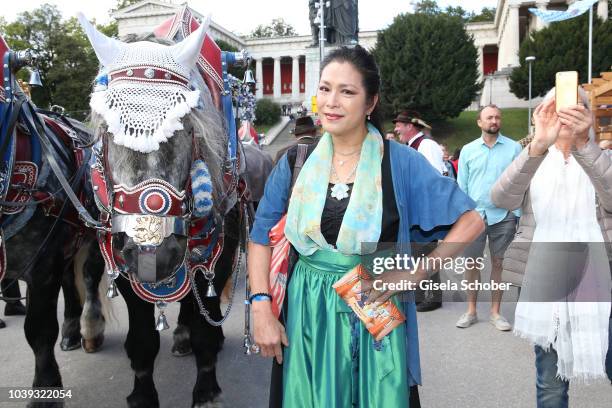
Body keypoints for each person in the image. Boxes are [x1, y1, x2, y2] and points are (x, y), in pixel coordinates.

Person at [248, 45, 483, 407]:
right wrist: (261, 305)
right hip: (307, 312)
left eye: (347, 91)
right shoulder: (296, 160)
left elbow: (472, 220)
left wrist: (413, 276)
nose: (331, 102)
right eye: (325, 89)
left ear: (370, 102)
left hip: (373, 307)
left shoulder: (400, 162)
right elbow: (261, 235)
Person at [491, 89, 612, 406]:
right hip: (545, 279)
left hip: (601, 278)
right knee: (550, 382)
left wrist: (585, 144)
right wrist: (538, 145)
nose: (567, 115)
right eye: (558, 108)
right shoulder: (534, 157)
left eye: (576, 108)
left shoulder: (602, 157)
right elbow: (501, 199)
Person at [456, 104, 521, 331]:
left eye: (497, 117)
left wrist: (516, 213)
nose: (494, 121)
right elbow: (461, 186)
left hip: (503, 216)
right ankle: (471, 310)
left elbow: (520, 182)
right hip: (473, 217)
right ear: (480, 122)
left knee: (499, 263)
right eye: (489, 117)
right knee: (471, 264)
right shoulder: (468, 150)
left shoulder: (513, 148)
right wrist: (462, 215)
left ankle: (495, 312)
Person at [393, 111, 446, 311]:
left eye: (399, 125)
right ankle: (420, 294)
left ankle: (433, 297)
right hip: (416, 211)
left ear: (410, 126)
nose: (396, 129)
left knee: (427, 253)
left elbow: (435, 179)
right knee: (416, 254)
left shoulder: (426, 145)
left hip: (426, 212)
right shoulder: (413, 146)